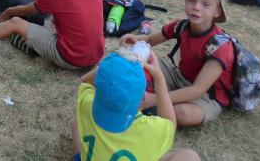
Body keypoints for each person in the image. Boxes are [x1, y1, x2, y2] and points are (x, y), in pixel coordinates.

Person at [121, 0, 233, 127]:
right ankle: (152, 101)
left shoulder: (220, 46)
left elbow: (197, 90)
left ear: (217, 11)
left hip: (207, 96)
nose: (196, 7)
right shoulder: (181, 26)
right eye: (191, 0)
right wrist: (135, 39)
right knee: (139, 60)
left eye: (205, 4)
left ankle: (150, 103)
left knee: (181, 114)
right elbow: (150, 40)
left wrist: (155, 99)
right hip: (178, 76)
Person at [72, 51, 201, 161]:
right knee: (190, 156)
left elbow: (85, 81)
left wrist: (113, 65)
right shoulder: (149, 130)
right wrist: (159, 77)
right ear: (143, 98)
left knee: (76, 124)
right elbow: (170, 124)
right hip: (139, 148)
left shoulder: (86, 102)